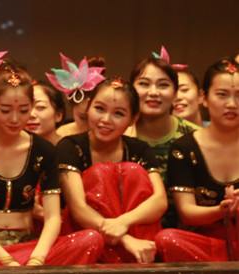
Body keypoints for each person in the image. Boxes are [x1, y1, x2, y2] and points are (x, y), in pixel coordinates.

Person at [0, 65, 104, 267]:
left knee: (91, 239)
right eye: (5, 110)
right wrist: (8, 263)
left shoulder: (44, 150)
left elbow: (52, 218)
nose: (14, 119)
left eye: (23, 110)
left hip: (30, 247)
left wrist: (37, 259)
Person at [54, 77, 165, 264]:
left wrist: (123, 222)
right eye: (99, 109)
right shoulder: (70, 146)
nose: (106, 120)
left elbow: (159, 201)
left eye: (118, 114)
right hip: (86, 237)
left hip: (137, 237)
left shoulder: (140, 150)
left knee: (133, 171)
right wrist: (124, 238)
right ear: (88, 107)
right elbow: (78, 209)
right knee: (100, 173)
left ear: (134, 119)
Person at [155, 59, 239, 262]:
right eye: (222, 95)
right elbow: (187, 213)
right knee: (167, 239)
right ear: (204, 97)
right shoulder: (185, 148)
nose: (231, 104)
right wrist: (221, 210)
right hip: (206, 244)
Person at [129, 55, 199, 178]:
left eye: (163, 85)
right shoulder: (119, 135)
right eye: (144, 84)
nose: (153, 93)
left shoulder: (195, 137)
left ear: (175, 93)